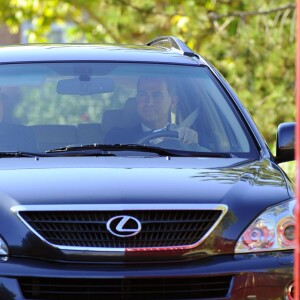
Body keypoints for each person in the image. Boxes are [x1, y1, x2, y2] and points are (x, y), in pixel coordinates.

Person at [104, 76, 198, 146]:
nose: (149, 102)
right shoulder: (117, 137)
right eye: (142, 95)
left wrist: (189, 141)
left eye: (157, 95)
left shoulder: (185, 136)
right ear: (137, 99)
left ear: (173, 102)